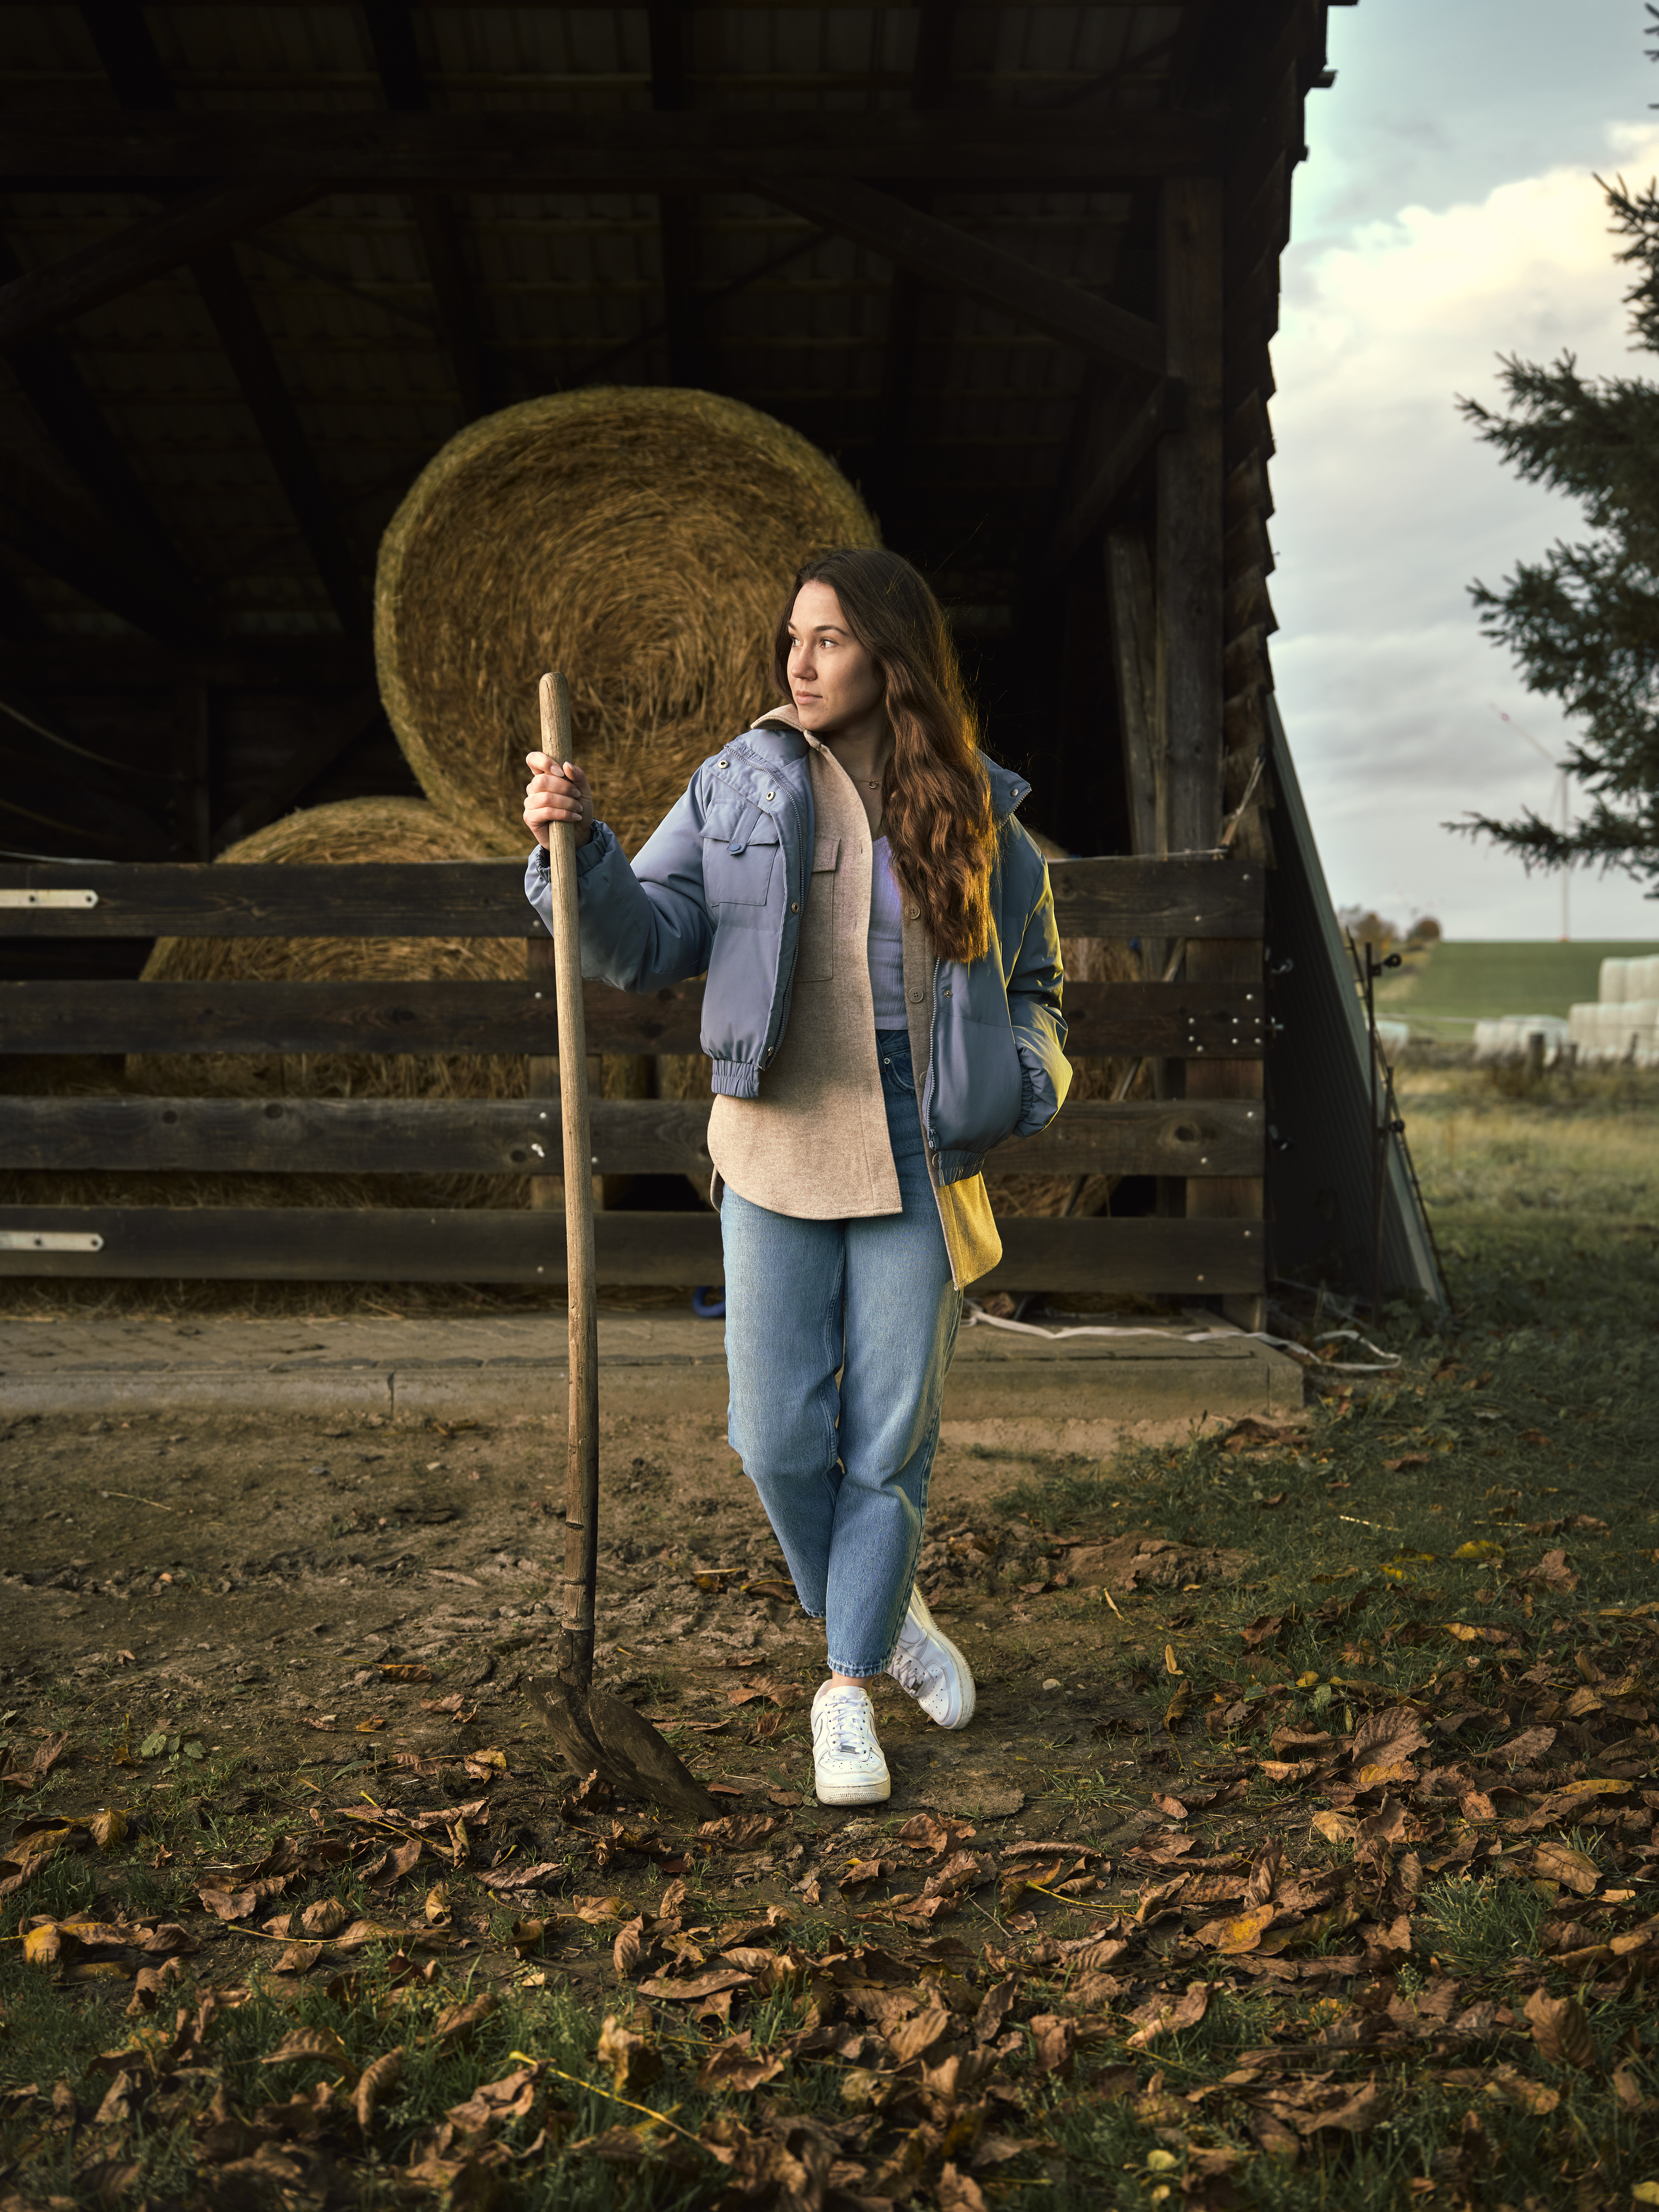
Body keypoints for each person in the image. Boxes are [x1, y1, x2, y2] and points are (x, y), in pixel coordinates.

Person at [524, 547, 1069, 1806]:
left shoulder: (980, 812)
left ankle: (845, 1692)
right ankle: (888, 1618)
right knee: (773, 1437)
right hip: (773, 1138)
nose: (799, 662)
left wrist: (1024, 1083)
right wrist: (578, 848)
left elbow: (1039, 987)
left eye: (826, 640)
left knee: (887, 1444)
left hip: (923, 1152)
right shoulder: (739, 784)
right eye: (792, 640)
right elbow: (642, 940)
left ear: (890, 653)